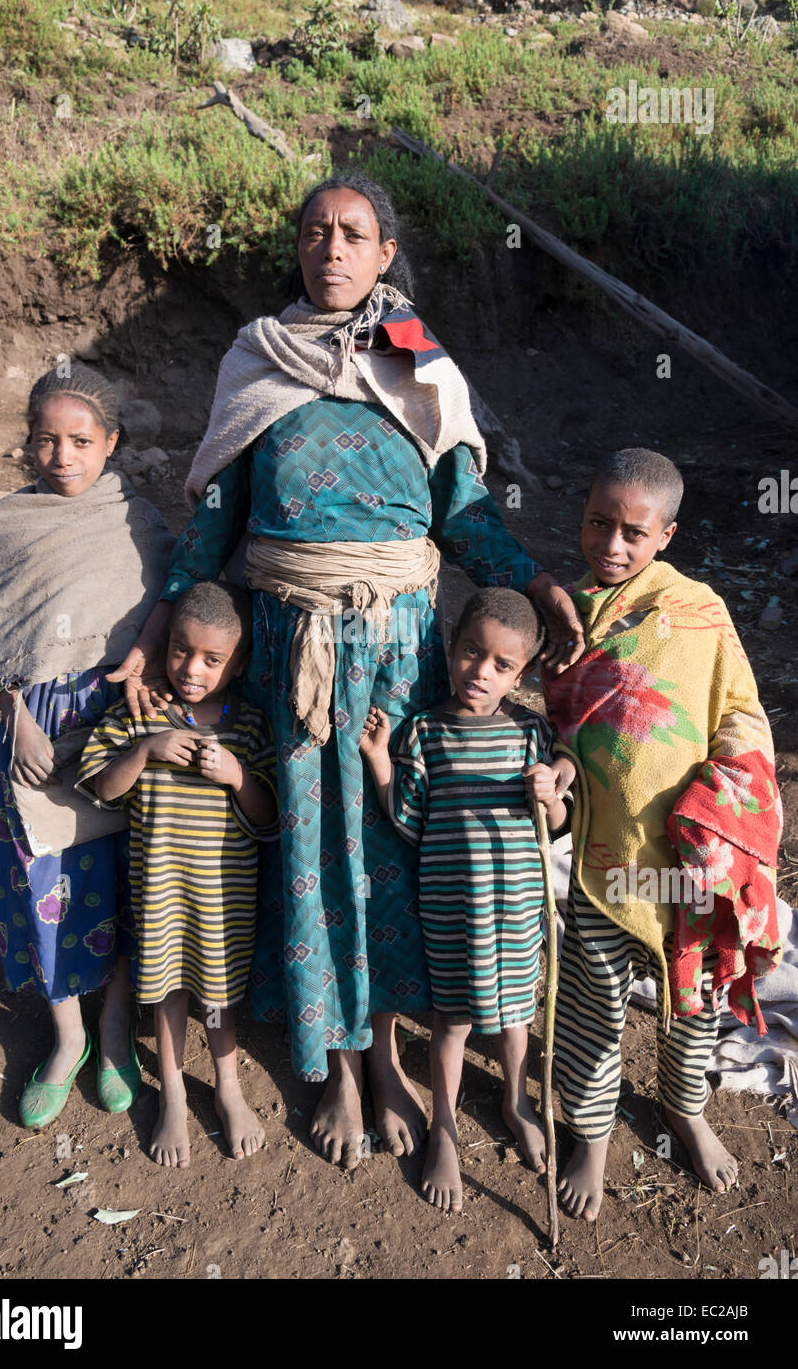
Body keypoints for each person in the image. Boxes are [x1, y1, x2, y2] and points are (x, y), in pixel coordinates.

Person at [108, 174, 585, 1171]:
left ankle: (387, 1057)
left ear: (383, 252)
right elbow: (217, 520)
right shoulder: (257, 358)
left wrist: (529, 579)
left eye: (353, 233)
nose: (332, 247)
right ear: (299, 248)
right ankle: (331, 1056)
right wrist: (162, 617)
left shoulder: (417, 358)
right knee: (308, 841)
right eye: (315, 232)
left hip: (404, 647)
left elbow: (461, 509)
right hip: (292, 651)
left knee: (389, 837)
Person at [542, 448, 782, 1220]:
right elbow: (560, 722)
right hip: (600, 858)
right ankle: (589, 1133)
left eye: (632, 534)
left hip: (686, 856)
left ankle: (685, 1108)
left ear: (666, 536)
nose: (611, 545)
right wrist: (556, 778)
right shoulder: (568, 613)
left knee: (694, 999)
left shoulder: (698, 612)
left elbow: (739, 709)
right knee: (592, 1002)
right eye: (597, 524)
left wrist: (726, 803)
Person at [0, 364, 174, 1128]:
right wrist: (14, 712)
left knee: (125, 871)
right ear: (29, 444)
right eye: (47, 440)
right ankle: (66, 1038)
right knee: (41, 873)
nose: (63, 456)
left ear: (111, 443)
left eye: (81, 441)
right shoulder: (8, 524)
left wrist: (141, 672)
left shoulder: (138, 521)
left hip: (114, 721)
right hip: (35, 726)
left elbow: (163, 612)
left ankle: (117, 1029)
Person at [360, 587, 575, 1210]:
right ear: (451, 646)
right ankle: (446, 1130)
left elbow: (557, 826)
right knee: (451, 1021)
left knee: (514, 1015)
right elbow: (408, 821)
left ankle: (516, 1098)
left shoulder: (533, 734)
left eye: (502, 665)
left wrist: (551, 794)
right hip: (452, 911)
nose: (481, 672)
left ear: (523, 672)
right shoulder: (425, 731)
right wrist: (380, 762)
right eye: (471, 653)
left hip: (516, 909)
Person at [77, 582, 277, 1167]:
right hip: (159, 895)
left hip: (223, 900)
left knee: (217, 997)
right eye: (180, 651)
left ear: (238, 665)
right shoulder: (143, 716)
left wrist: (238, 774)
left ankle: (228, 1088)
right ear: (164, 648)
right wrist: (147, 751)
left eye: (213, 660)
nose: (192, 669)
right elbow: (100, 788)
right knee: (166, 992)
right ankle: (172, 1090)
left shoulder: (251, 728)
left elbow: (268, 819)